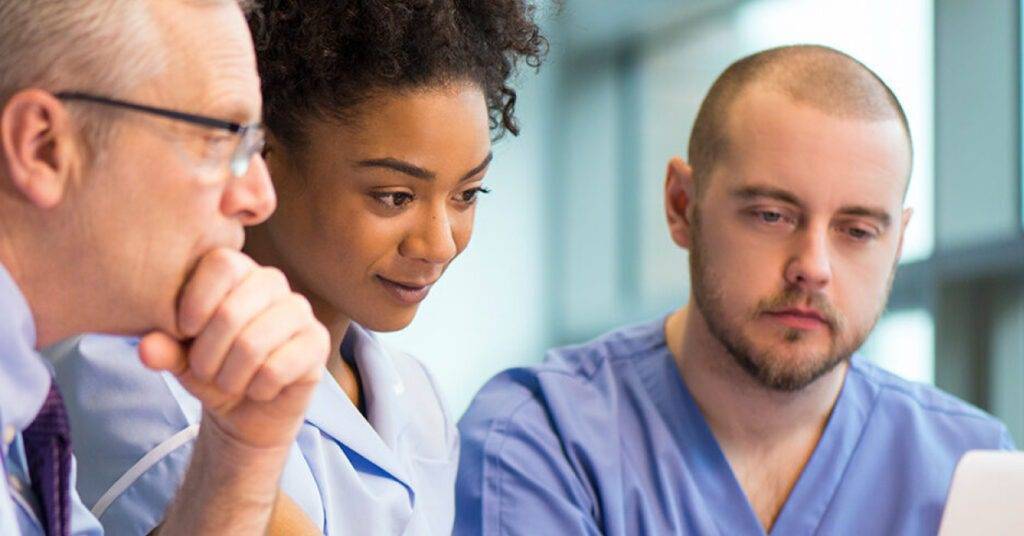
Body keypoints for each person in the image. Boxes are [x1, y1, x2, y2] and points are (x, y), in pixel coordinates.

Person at [455, 45, 1017, 535]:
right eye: (772, 215)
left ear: (896, 244)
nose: (813, 267)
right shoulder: (540, 439)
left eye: (857, 231)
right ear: (682, 205)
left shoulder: (972, 469)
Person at [48, 1, 548, 534]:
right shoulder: (133, 369)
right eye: (394, 197)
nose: (440, 243)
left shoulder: (417, 398)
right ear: (262, 160)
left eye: (468, 193)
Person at [0, 0, 331, 535]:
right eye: (221, 137)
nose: (259, 197)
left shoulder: (23, 405)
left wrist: (241, 455)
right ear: (43, 148)